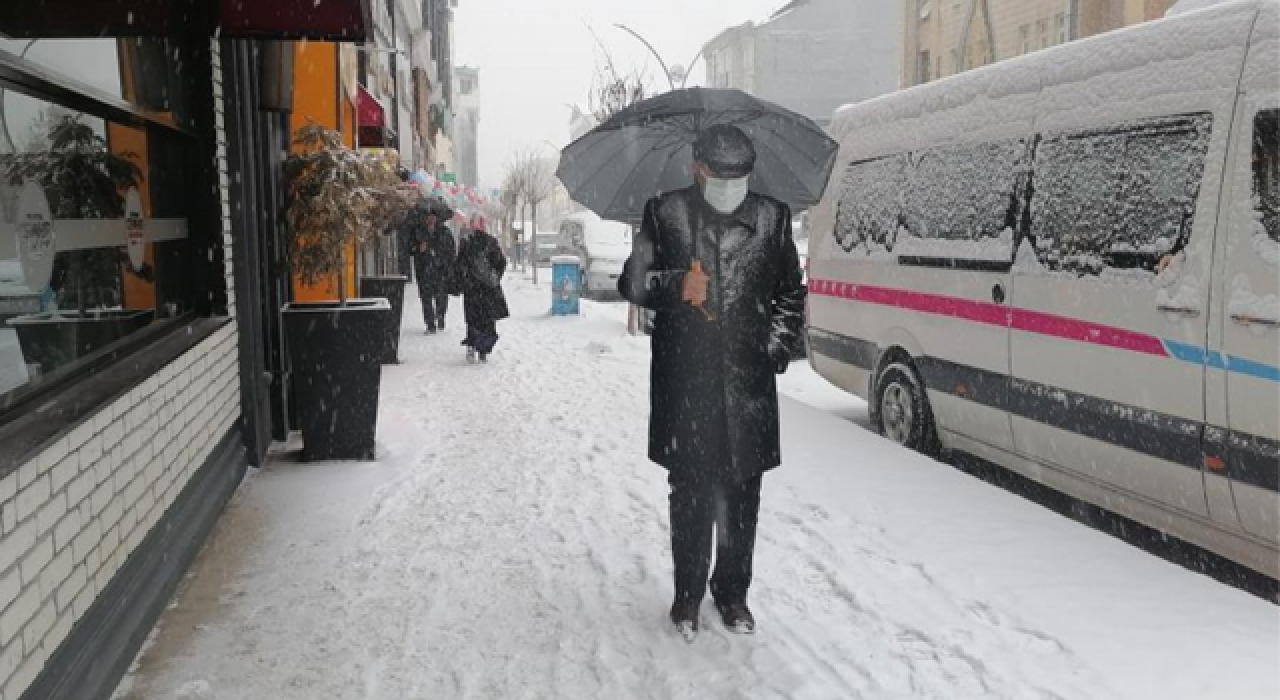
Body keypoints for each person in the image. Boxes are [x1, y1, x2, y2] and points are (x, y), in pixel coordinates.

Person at [617, 124, 806, 642]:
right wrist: (678, 284)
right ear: (697, 169)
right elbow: (630, 282)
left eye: (739, 175)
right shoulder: (666, 213)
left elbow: (792, 292)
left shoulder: (772, 219)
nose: (730, 184)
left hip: (748, 392)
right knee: (692, 499)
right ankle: (687, 598)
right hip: (688, 387)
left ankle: (733, 594)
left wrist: (774, 346)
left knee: (743, 500)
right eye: (720, 174)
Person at [455, 216, 509, 363]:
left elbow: (459, 265)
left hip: (472, 289)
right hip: (487, 290)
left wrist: (463, 280)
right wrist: (495, 277)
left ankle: (472, 345)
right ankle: (483, 349)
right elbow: (502, 262)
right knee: (487, 319)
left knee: (473, 319)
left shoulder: (467, 242)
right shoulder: (491, 242)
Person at [407, 203, 457, 334]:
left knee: (441, 297)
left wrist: (443, 260)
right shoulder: (417, 231)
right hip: (423, 270)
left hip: (440, 270)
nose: (430, 219)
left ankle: (440, 316)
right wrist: (418, 248)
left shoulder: (445, 232)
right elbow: (409, 249)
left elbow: (451, 252)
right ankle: (430, 324)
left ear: (437, 218)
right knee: (426, 298)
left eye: (433, 216)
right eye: (428, 217)